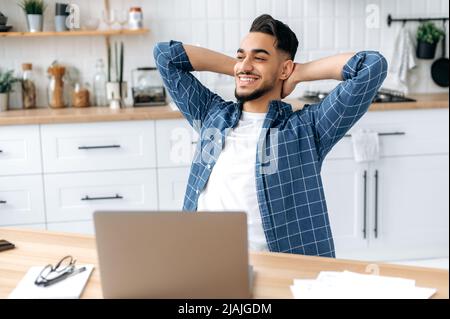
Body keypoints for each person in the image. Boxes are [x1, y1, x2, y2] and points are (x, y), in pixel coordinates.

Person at [154, 14, 388, 257]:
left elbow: (371, 65)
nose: (245, 64)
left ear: (285, 68)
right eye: (241, 55)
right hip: (201, 258)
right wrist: (243, 70)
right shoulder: (211, 114)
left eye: (260, 58)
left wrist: (297, 73)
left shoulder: (308, 128)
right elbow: (165, 56)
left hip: (274, 266)